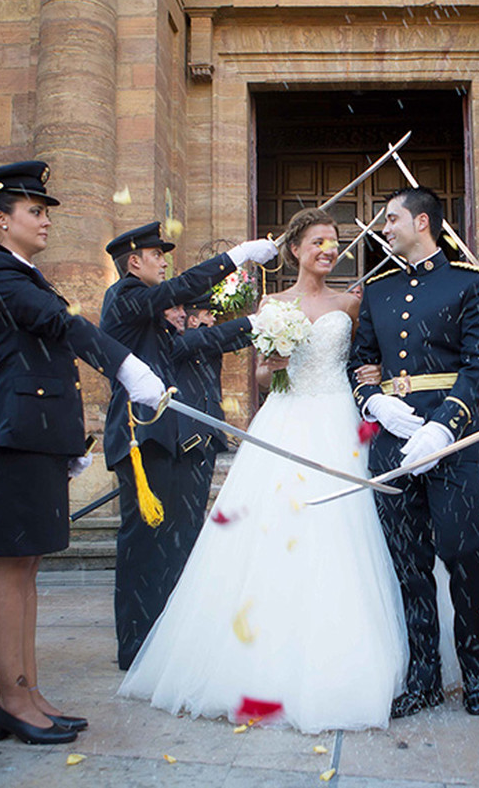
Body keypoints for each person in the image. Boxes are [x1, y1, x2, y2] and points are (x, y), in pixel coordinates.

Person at [120, 208, 407, 733]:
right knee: (273, 531)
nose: (328, 250)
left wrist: (375, 374)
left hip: (340, 419)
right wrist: (269, 366)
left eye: (334, 242)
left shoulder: (353, 302)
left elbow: (368, 358)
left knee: (346, 526)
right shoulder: (271, 305)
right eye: (319, 241)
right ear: (295, 249)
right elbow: (258, 376)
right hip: (286, 419)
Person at [0, 161, 166, 745]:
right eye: (35, 211)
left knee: (28, 566)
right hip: (12, 436)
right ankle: (12, 701)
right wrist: (126, 366)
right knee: (9, 564)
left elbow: (46, 361)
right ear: (1, 219)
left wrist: (68, 440)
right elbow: (57, 326)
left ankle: (29, 693)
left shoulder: (23, 274)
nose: (45, 221)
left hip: (34, 436)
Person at [349, 187, 479, 718]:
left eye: (390, 219)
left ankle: (475, 666)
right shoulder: (379, 291)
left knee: (464, 551)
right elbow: (360, 360)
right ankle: (424, 676)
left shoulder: (471, 284)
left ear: (421, 221)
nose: (383, 228)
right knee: (408, 563)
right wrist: (374, 405)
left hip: (450, 441)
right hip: (392, 442)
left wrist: (442, 429)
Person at [101, 222, 277, 671]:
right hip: (146, 439)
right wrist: (236, 257)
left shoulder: (150, 313)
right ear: (134, 261)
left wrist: (252, 326)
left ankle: (166, 638)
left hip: (174, 440)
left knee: (179, 544)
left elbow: (191, 344)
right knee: (144, 545)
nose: (164, 261)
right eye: (157, 254)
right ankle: (136, 646)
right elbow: (182, 293)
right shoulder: (126, 298)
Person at [170, 293, 254, 539]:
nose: (213, 320)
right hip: (187, 433)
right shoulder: (184, 339)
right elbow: (209, 337)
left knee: (198, 500)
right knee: (184, 503)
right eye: (208, 315)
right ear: (194, 320)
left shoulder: (207, 340)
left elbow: (236, 341)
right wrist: (251, 320)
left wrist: (273, 326)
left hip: (207, 432)